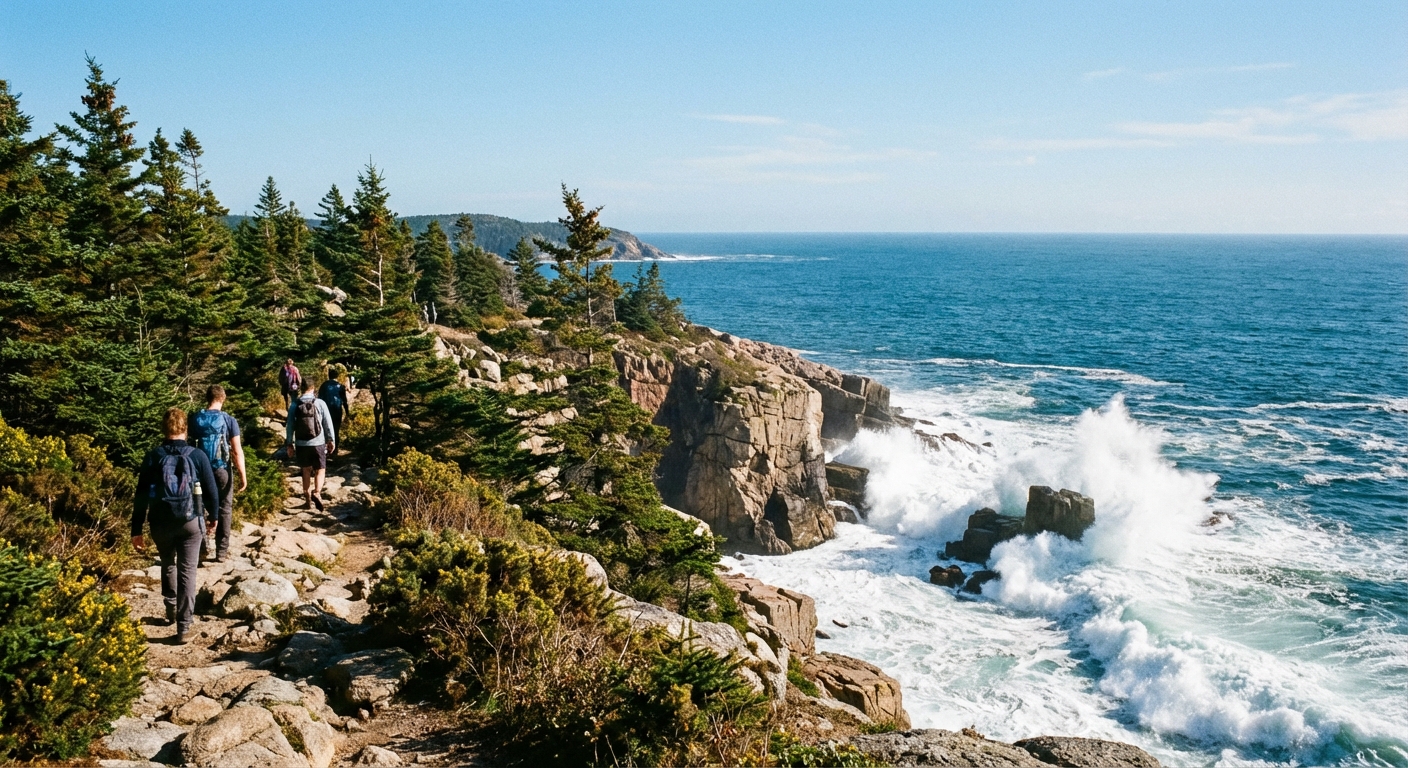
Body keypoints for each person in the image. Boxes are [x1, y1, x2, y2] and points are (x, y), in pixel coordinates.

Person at [132, 407, 219, 644]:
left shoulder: (153, 456)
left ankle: (170, 606)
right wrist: (214, 517)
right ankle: (183, 626)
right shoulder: (197, 455)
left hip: (160, 522)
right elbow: (212, 491)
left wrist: (136, 530)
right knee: (188, 571)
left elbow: (141, 495)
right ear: (185, 429)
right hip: (191, 521)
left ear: (164, 428)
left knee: (167, 562)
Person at [189, 385, 247, 563]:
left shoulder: (195, 419)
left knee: (199, 508)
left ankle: (201, 548)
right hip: (222, 469)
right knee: (225, 509)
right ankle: (221, 552)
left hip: (199, 471)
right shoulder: (229, 420)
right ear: (223, 398)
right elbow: (236, 451)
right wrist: (242, 475)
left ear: (207, 398)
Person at [286, 379, 336, 511]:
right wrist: (331, 440)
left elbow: (290, 425)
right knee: (320, 469)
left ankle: (307, 500)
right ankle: (317, 492)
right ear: (313, 388)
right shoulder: (320, 403)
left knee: (305, 470)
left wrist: (289, 444)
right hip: (318, 443)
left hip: (301, 444)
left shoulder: (295, 405)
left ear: (301, 388)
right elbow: (328, 423)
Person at [317, 368, 349, 451]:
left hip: (325, 410)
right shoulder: (340, 386)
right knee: (336, 429)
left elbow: (319, 399)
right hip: (337, 410)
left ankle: (326, 449)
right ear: (337, 376)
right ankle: (335, 449)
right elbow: (345, 401)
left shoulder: (323, 385)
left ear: (329, 375)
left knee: (324, 429)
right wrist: (347, 412)